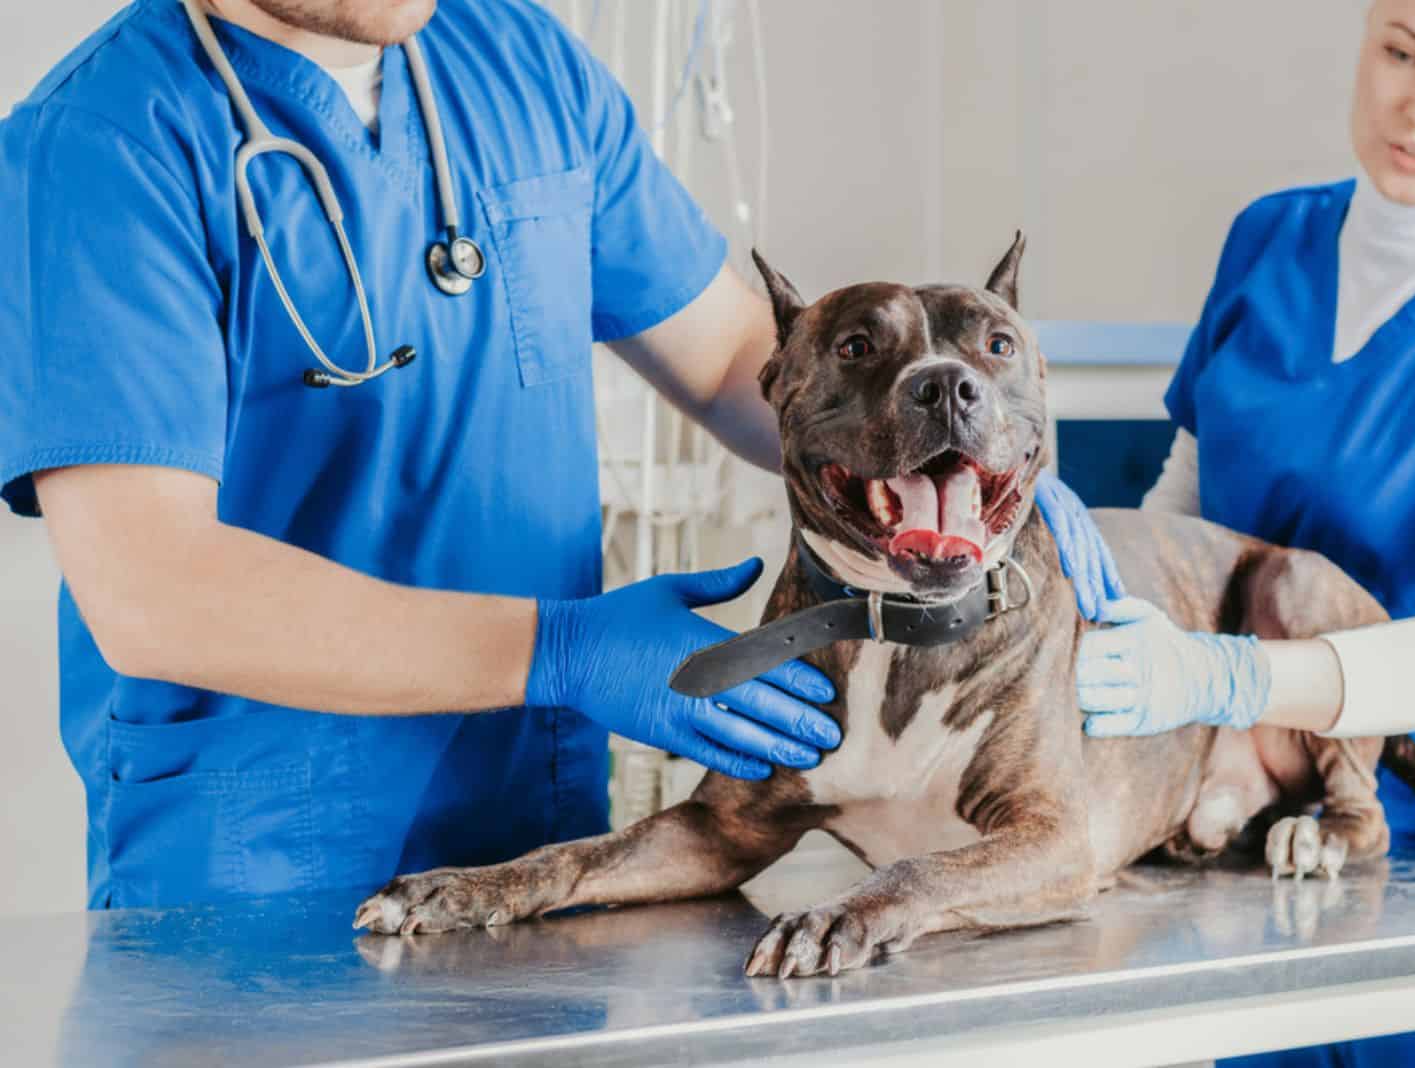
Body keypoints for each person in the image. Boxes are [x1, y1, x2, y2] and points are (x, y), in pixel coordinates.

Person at [0, 0, 1114, 911]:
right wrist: (562, 651)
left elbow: (740, 355)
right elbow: (156, 594)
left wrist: (962, 479)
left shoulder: (516, 59)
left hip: (538, 840)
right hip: (254, 867)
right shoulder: (101, 144)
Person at [1075, 0, 1415, 1064]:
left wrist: (1221, 677)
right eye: (1399, 53)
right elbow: (1190, 493)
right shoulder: (1269, 239)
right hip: (1247, 837)